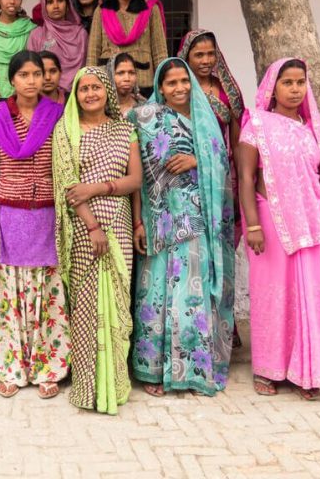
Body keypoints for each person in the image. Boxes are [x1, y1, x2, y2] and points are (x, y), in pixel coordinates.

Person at [237, 57, 320, 400]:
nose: (296, 89)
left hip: (312, 223)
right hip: (271, 223)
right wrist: (252, 223)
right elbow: (245, 177)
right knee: (274, 296)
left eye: (301, 82)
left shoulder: (311, 129)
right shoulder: (257, 124)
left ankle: (309, 371)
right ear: (273, 87)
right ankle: (268, 370)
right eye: (288, 82)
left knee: (312, 297)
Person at [129, 58, 234, 397]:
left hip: (195, 218)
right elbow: (137, 174)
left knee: (191, 292)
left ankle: (190, 368)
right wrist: (140, 220)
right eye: (171, 82)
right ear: (160, 87)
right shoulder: (145, 119)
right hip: (159, 219)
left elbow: (222, 164)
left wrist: (197, 160)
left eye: (183, 81)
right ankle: (152, 371)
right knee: (156, 291)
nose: (179, 88)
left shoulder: (205, 122)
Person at [0, 50, 70, 398]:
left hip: (47, 216)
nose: (33, 81)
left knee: (47, 295)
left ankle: (48, 368)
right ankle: (11, 368)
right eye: (25, 75)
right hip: (10, 216)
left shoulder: (58, 116)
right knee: (12, 297)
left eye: (38, 74)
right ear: (11, 80)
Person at [53, 66, 142, 414]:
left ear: (107, 91)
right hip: (83, 229)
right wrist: (92, 226)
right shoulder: (66, 130)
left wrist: (100, 188)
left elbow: (135, 180)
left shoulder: (125, 129)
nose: (90, 94)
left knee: (117, 305)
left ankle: (116, 384)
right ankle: (88, 387)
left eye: (96, 87)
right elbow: (66, 185)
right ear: (75, 94)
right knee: (87, 306)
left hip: (118, 224)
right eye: (83, 89)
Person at [179, 29, 246, 348]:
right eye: (199, 55)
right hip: (189, 183)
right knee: (196, 254)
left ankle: (224, 326)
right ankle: (198, 323)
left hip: (223, 181)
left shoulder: (228, 92)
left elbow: (235, 140)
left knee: (222, 254)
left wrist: (235, 182)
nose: (205, 61)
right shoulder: (180, 91)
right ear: (186, 57)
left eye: (210, 54)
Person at [87, 0, 168, 94]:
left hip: (143, 81)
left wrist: (164, 81)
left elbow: (160, 52)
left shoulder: (150, 9)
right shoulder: (102, 11)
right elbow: (93, 51)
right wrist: (91, 81)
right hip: (108, 81)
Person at [27, 0, 87, 92]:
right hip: (43, 95)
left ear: (67, 5)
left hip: (75, 94)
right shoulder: (36, 35)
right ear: (44, 7)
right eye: (50, 2)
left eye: (60, 0)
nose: (55, 6)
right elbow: (32, 68)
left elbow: (85, 68)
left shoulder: (80, 34)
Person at [109, 53, 145, 118]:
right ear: (110, 75)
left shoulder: (143, 106)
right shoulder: (103, 109)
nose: (127, 79)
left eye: (131, 73)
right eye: (120, 73)